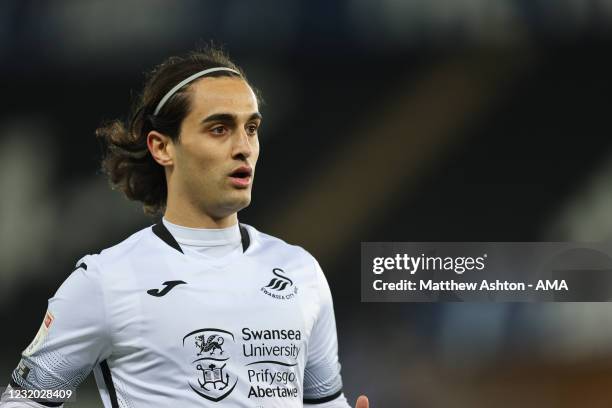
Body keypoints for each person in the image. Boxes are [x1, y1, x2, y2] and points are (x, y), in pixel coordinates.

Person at [0, 47, 370, 408]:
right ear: (163, 147)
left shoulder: (301, 272)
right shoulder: (106, 281)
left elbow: (322, 400)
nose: (244, 146)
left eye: (251, 128)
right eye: (220, 128)